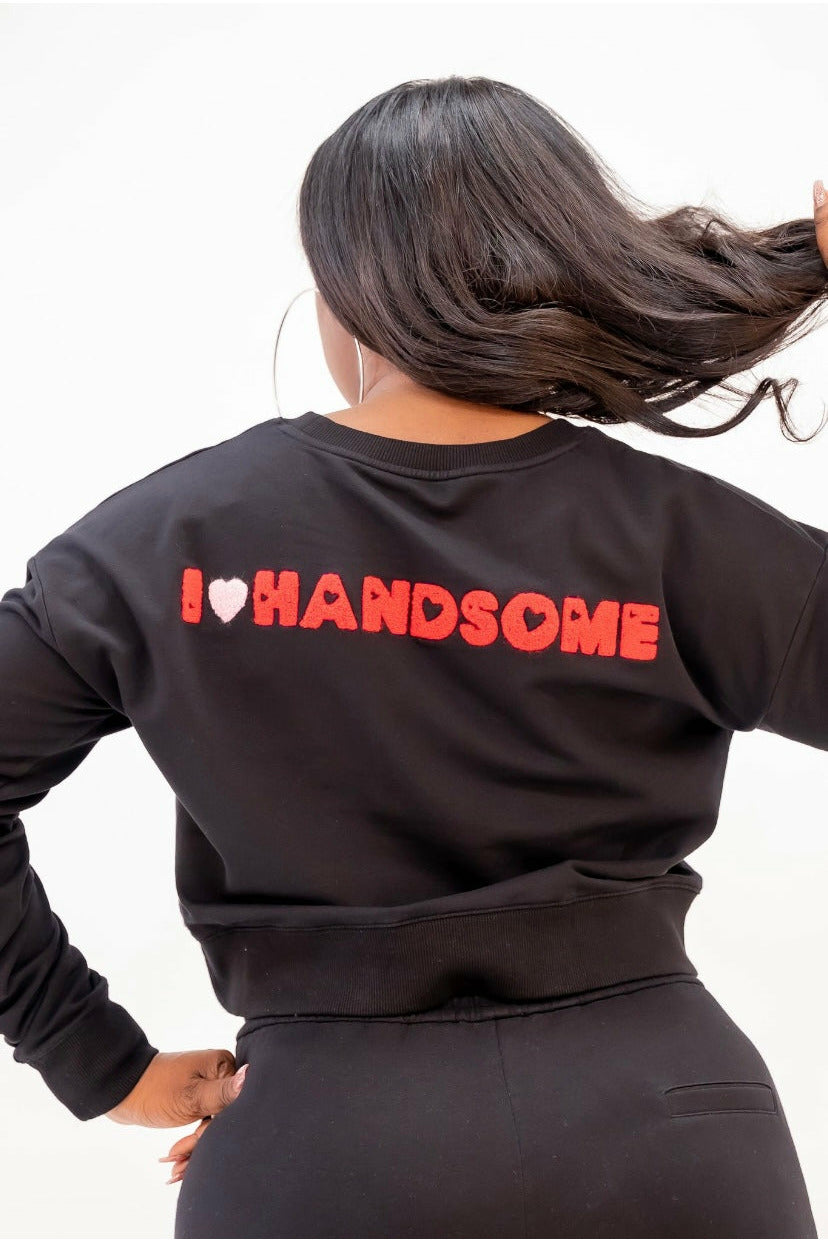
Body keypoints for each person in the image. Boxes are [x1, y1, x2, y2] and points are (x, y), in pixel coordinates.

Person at [1, 75, 826, 1240]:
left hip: (317, 1157)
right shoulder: (691, 540)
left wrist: (99, 1062)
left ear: (344, 289)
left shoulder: (166, 541)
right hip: (668, 1138)